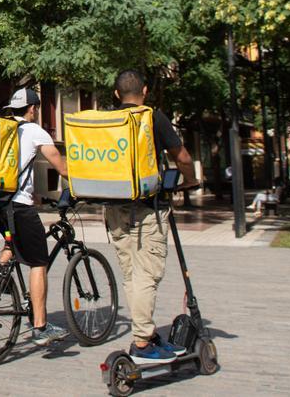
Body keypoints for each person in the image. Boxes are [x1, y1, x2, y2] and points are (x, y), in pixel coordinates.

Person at [106, 70, 199, 364]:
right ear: (145, 90)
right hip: (147, 210)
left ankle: (142, 331)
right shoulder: (152, 117)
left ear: (116, 94)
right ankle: (143, 343)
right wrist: (190, 180)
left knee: (132, 275)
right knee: (147, 275)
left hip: (113, 208)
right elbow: (181, 156)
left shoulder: (108, 120)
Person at [0, 88, 69, 347]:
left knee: (13, 241)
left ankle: (0, 272)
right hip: (18, 206)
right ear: (33, 108)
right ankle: (41, 327)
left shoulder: (1, 129)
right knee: (38, 262)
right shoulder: (34, 131)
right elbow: (61, 166)